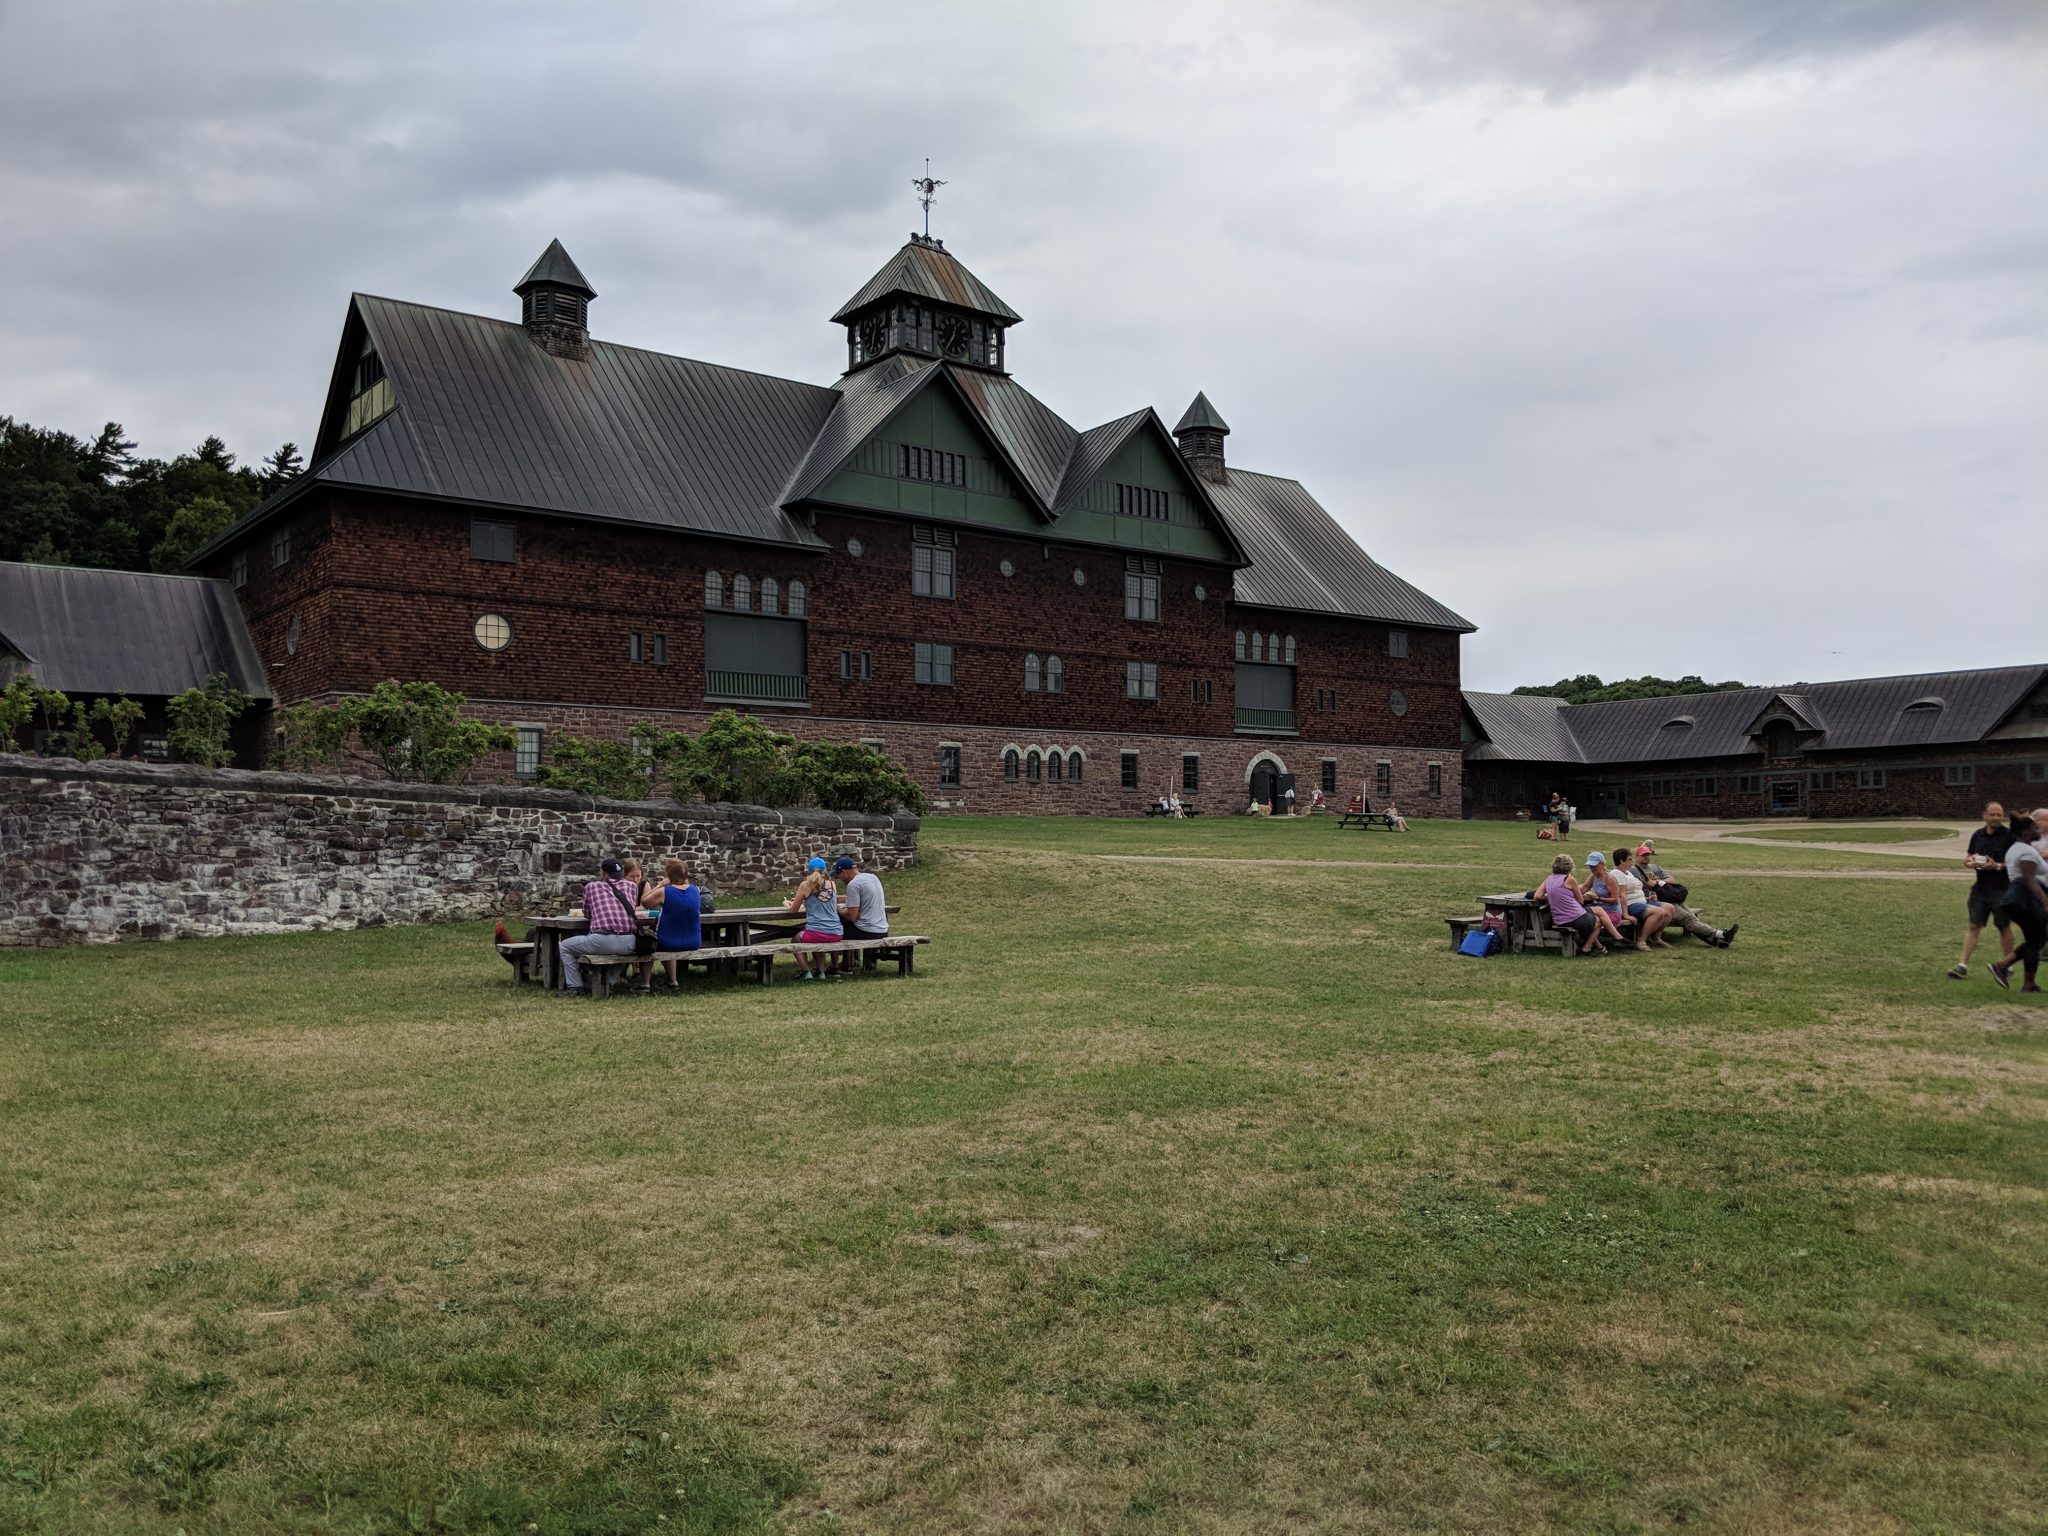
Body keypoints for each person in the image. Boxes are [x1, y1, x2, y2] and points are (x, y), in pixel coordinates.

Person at [558, 856, 642, 996]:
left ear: (604, 873)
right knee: (623, 953)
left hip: (602, 940)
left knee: (565, 946)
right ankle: (610, 982)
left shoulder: (592, 887)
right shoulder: (632, 886)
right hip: (629, 942)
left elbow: (587, 913)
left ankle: (575, 987)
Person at [1952, 801, 2016, 980]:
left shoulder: (2009, 836)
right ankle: (1962, 966)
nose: (1996, 818)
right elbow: (1969, 856)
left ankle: (2007, 965)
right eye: (1993, 814)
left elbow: (2015, 863)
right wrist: (1969, 862)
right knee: (1974, 925)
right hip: (1980, 889)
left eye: (1999, 815)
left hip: (2002, 890)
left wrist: (1997, 866)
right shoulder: (1978, 835)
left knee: (2003, 926)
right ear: (1985, 816)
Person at [1632, 841, 1738, 947]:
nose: (1646, 857)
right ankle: (1720, 934)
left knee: (1691, 917)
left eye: (1648, 854)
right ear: (1637, 856)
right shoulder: (1634, 871)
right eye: (1643, 855)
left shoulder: (1655, 867)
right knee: (1687, 919)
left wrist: (1658, 882)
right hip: (1655, 901)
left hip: (1669, 897)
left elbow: (1672, 880)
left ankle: (1715, 940)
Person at [1989, 810, 2047, 993]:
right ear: (2025, 833)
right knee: (2036, 940)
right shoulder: (2026, 851)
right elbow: (2029, 879)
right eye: (2034, 828)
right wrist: (2045, 902)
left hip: (2019, 900)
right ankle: (2002, 966)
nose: (2038, 830)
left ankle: (2027, 983)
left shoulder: (2018, 848)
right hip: (2026, 900)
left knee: (2035, 940)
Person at [644, 858, 701, 990]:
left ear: (667, 874)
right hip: (693, 942)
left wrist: (660, 885)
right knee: (669, 939)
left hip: (668, 943)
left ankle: (645, 983)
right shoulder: (696, 890)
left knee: (647, 943)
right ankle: (672, 981)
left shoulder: (664, 891)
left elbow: (645, 902)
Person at [1537, 853, 1608, 956]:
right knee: (1598, 921)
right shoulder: (1569, 879)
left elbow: (1537, 896)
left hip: (1558, 919)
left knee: (1594, 914)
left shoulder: (1549, 879)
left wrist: (1552, 896)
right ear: (1570, 867)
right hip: (1573, 916)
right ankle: (1586, 948)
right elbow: (1580, 901)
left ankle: (1599, 947)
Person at [785, 855, 844, 980]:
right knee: (817, 941)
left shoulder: (805, 885)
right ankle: (821, 973)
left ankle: (806, 972)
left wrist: (793, 903)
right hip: (836, 932)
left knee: (795, 941)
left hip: (816, 932)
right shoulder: (832, 884)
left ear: (809, 871)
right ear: (824, 871)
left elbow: (793, 911)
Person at [829, 854, 889, 974]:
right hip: (882, 929)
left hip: (866, 931)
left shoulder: (853, 884)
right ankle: (848, 963)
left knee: (831, 926)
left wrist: (834, 908)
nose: (839, 879)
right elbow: (863, 897)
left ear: (845, 871)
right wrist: (841, 899)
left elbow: (852, 916)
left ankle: (836, 966)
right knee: (842, 924)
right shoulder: (872, 877)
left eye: (838, 875)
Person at [1611, 847, 1675, 952]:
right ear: (1622, 861)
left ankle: (1656, 937)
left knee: (1669, 908)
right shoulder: (1616, 873)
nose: (1632, 862)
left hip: (1642, 901)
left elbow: (1634, 890)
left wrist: (1647, 897)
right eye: (1630, 859)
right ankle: (1641, 940)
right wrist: (1626, 915)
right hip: (1631, 904)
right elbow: (1622, 895)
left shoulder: (1628, 872)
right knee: (1658, 912)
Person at [1580, 851, 1632, 948]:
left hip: (1612, 912)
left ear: (1602, 864)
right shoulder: (1593, 876)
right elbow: (1583, 888)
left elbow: (1615, 900)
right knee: (1587, 919)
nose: (1592, 868)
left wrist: (1598, 898)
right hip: (1599, 911)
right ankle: (1597, 947)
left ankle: (1588, 947)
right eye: (1590, 866)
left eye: (1594, 865)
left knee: (1596, 921)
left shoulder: (1610, 879)